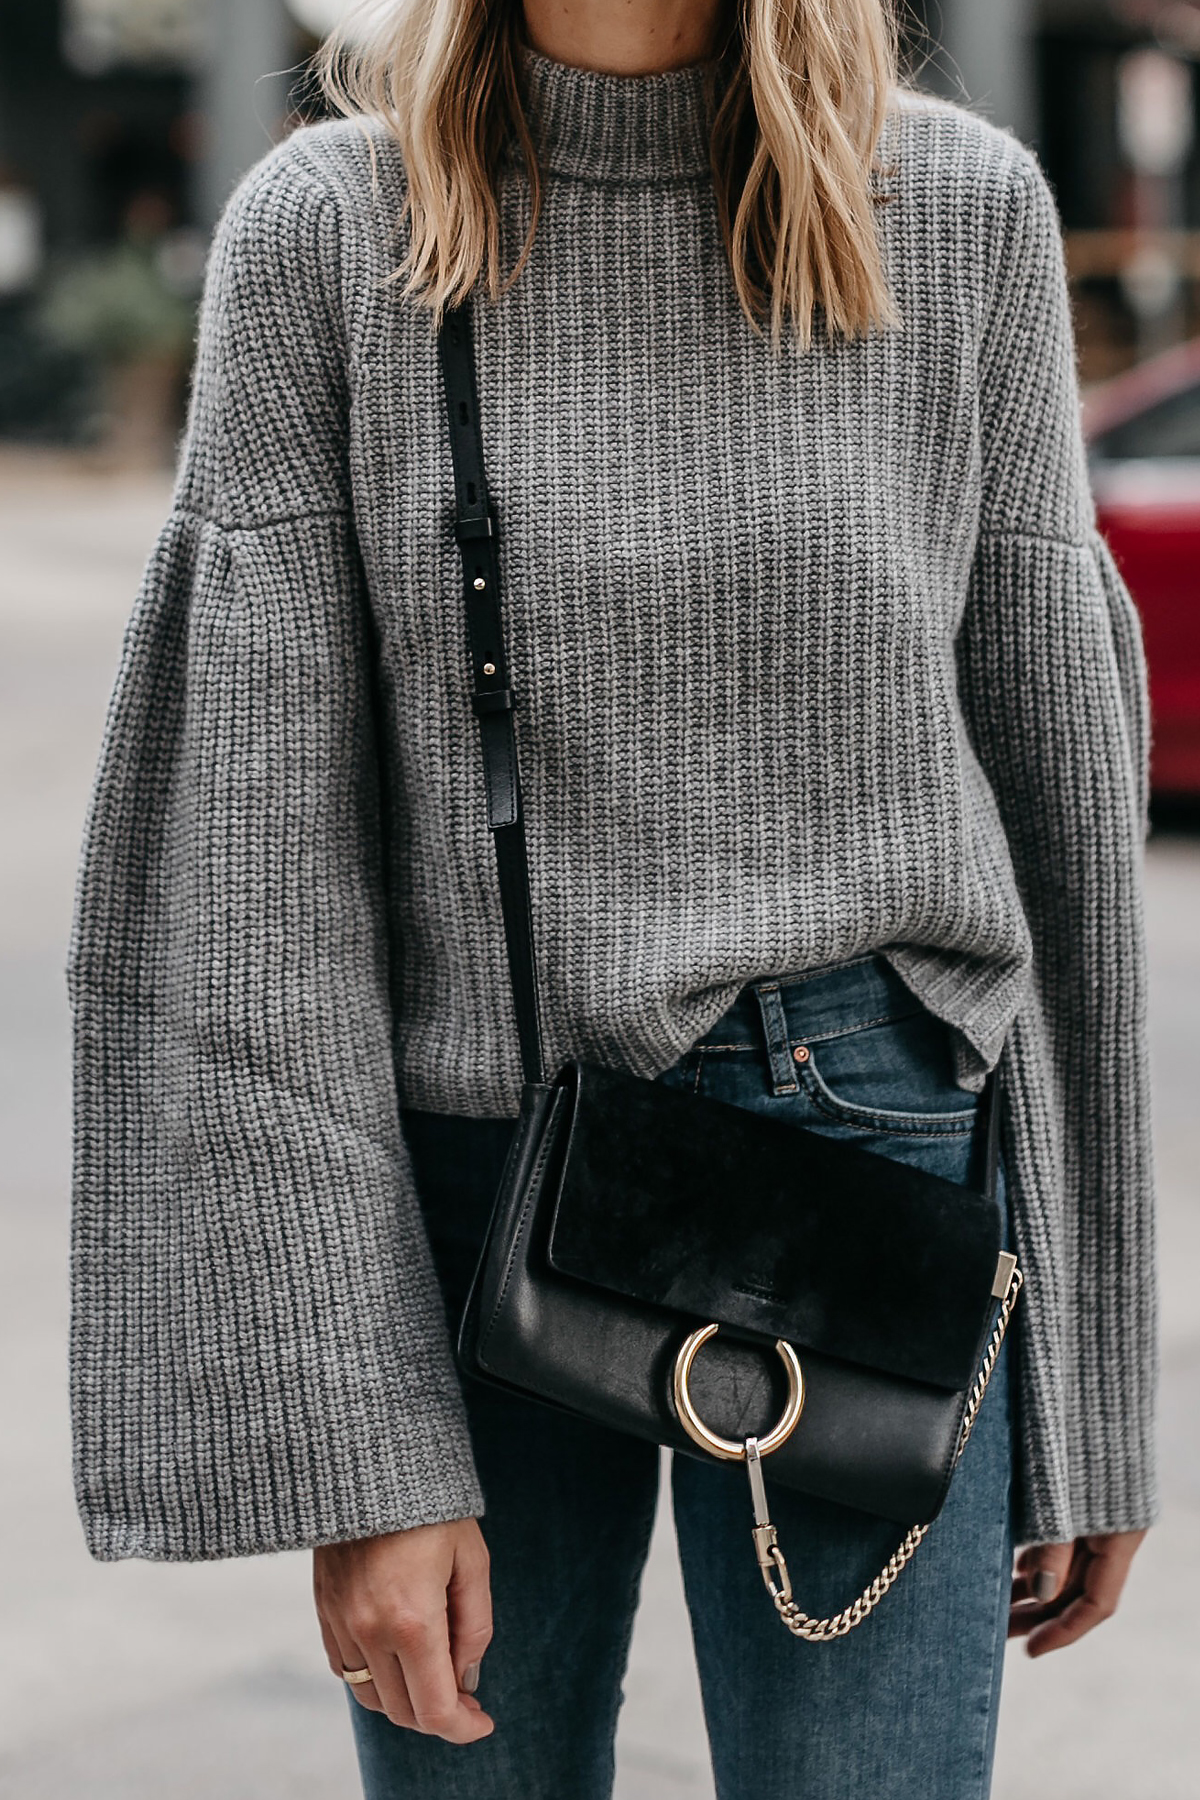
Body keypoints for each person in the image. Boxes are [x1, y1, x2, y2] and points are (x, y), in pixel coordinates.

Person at [66, 1, 1157, 1795]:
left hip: (872, 1160)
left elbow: (1055, 826)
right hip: (478, 1166)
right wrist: (367, 1450)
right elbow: (258, 889)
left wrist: (1096, 1394)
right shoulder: (335, 226)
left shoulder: (960, 211)